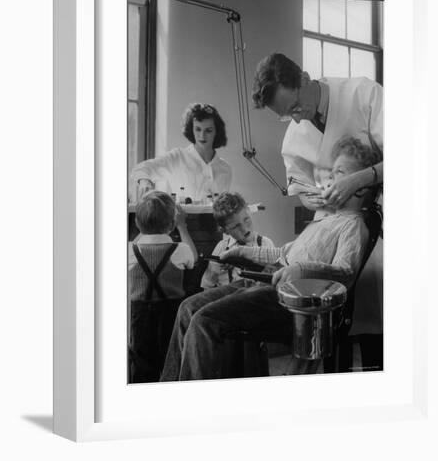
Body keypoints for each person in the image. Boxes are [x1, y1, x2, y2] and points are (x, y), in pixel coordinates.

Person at [159, 137, 380, 381]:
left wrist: (300, 269)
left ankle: (194, 407)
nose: (329, 178)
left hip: (287, 300)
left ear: (359, 186)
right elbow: (282, 253)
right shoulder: (326, 220)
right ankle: (168, 391)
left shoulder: (353, 225)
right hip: (264, 284)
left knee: (205, 321)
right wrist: (242, 253)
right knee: (187, 308)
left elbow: (345, 272)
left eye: (339, 173)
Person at [251, 53, 383, 213]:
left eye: (295, 106)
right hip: (336, 220)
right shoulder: (293, 139)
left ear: (304, 79)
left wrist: (358, 180)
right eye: (287, 115)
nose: (297, 119)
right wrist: (314, 200)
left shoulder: (364, 94)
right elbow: (301, 188)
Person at [128, 191, 197, 383]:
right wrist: (182, 227)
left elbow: (138, 241)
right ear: (171, 225)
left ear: (137, 224)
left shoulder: (129, 250)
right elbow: (194, 259)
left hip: (139, 315)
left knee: (142, 363)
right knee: (172, 359)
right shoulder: (181, 250)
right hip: (172, 315)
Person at [130, 103, 232, 203]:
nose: (202, 135)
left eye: (208, 130)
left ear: (216, 132)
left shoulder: (225, 169)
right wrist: (144, 181)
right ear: (191, 129)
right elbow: (140, 169)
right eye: (198, 129)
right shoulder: (177, 157)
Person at [200, 192, 275, 288]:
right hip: (228, 297)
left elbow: (273, 279)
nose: (244, 229)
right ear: (225, 231)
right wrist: (217, 269)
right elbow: (207, 285)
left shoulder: (265, 244)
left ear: (249, 212)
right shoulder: (221, 248)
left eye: (246, 219)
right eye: (236, 226)